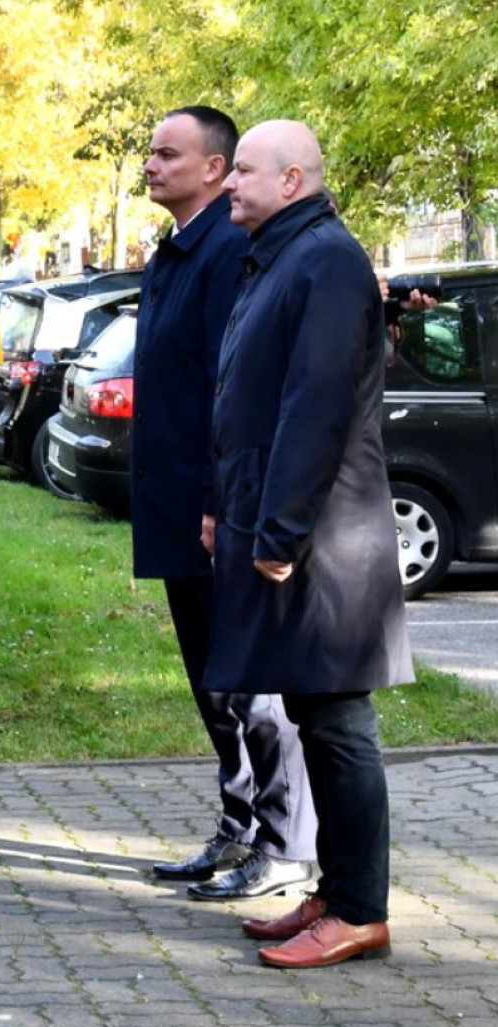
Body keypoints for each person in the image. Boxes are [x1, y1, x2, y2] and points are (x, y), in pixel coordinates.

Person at [206, 121, 412, 969]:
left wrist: (281, 528)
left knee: (336, 719)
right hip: (288, 523)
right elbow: (254, 401)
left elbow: (317, 406)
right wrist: (231, 507)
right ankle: (336, 890)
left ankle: (361, 911)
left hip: (324, 536)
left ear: (292, 180)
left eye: (244, 171)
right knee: (311, 710)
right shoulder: (281, 254)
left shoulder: (325, 258)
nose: (230, 184)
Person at [131, 106, 317, 901]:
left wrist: (217, 504)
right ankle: (240, 828)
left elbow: (231, 390)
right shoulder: (176, 251)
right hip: (176, 504)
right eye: (149, 152)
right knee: (213, 684)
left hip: (218, 513)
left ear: (212, 168)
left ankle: (286, 845)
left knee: (251, 686)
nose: (150, 164)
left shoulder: (227, 251)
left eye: (167, 154)